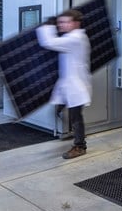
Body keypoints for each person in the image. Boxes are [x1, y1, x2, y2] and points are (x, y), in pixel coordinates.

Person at [37, 10, 91, 159]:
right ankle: (78, 140)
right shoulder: (72, 37)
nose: (60, 25)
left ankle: (80, 146)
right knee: (65, 112)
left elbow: (48, 42)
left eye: (64, 22)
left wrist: (47, 27)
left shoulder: (75, 38)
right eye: (59, 22)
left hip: (76, 85)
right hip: (69, 83)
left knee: (76, 117)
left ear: (75, 23)